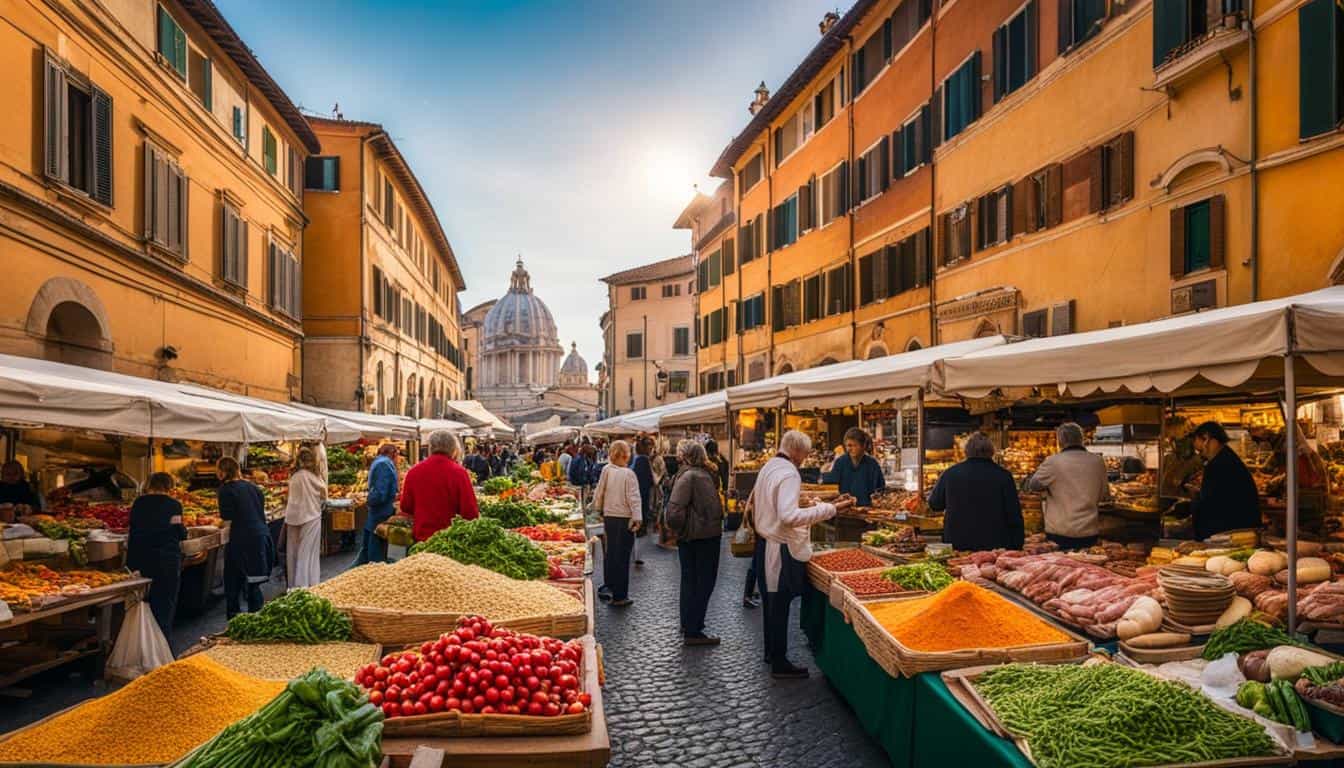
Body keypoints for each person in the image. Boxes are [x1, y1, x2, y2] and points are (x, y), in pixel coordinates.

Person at [753, 430, 851, 678]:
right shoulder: (789, 473)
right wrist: (830, 509)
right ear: (797, 451)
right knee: (779, 604)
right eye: (805, 454)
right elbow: (788, 516)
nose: (805, 459)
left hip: (765, 542)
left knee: (771, 602)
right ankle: (779, 662)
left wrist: (802, 502)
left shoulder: (770, 467)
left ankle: (771, 652)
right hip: (779, 546)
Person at [665, 440, 724, 645]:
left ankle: (688, 623)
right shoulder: (696, 476)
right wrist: (683, 528)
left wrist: (680, 530)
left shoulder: (687, 474)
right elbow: (674, 512)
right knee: (703, 582)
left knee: (690, 581)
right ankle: (694, 629)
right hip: (702, 537)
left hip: (691, 537)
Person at [929, 432, 1025, 551]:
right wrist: (1018, 545)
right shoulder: (1004, 476)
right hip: (994, 544)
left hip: (958, 543)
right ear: (991, 451)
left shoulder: (950, 474)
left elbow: (935, 504)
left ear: (966, 451)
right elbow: (1014, 514)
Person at [1023, 423, 1110, 550]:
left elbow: (1033, 485)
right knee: (1086, 567)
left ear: (1060, 441)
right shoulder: (1098, 461)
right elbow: (1104, 495)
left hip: (1060, 532)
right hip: (1089, 531)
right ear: (1081, 439)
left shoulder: (1053, 462)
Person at [126, 472, 186, 637]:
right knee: (164, 606)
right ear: (169, 486)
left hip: (141, 560)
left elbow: (133, 529)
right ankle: (162, 647)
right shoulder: (174, 505)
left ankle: (144, 644)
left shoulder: (138, 503)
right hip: (166, 561)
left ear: (150, 485)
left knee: (143, 605)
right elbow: (179, 532)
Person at [217, 456, 274, 618]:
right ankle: (256, 621)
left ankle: (235, 621)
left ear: (222, 472)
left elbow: (227, 519)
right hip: (261, 536)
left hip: (241, 539)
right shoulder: (254, 488)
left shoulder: (226, 490)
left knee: (232, 582)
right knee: (254, 583)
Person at [401, 430, 479, 542]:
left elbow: (406, 507)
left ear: (430, 448)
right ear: (453, 449)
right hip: (450, 540)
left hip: (421, 538)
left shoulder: (414, 472)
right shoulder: (459, 473)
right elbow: (470, 512)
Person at [1188, 421, 1261, 539]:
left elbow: (1209, 504)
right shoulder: (1226, 458)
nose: (1201, 455)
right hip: (1235, 531)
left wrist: (1195, 496)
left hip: (1231, 534)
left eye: (1200, 450)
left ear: (1207, 438)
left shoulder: (1219, 464)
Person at [594, 440, 642, 607]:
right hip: (624, 519)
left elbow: (599, 492)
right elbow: (634, 498)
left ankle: (610, 586)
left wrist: (598, 509)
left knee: (611, 554)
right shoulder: (628, 474)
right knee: (622, 557)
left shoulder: (606, 470)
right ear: (625, 454)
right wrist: (637, 518)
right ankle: (620, 596)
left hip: (609, 517)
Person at [284, 448, 326, 588]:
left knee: (293, 553)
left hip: (293, 517)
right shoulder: (314, 477)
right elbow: (324, 494)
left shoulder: (294, 477)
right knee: (308, 553)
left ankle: (294, 586)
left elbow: (289, 497)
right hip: (312, 516)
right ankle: (308, 585)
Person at [355, 444, 400, 566]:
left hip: (377, 514)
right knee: (375, 556)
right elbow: (380, 493)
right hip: (380, 514)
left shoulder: (379, 462)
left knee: (367, 554)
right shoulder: (384, 464)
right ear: (394, 453)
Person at [822, 427, 886, 507]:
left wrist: (876, 498)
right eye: (847, 446)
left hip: (866, 510)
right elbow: (831, 483)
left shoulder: (872, 464)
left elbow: (880, 488)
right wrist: (823, 473)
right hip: (845, 510)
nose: (848, 449)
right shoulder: (840, 462)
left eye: (852, 445)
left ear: (863, 446)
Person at [630, 438, 655, 567]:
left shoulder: (635, 459)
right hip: (641, 498)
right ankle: (637, 556)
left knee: (636, 526)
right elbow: (650, 481)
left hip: (636, 497)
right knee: (641, 526)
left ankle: (635, 554)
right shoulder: (643, 460)